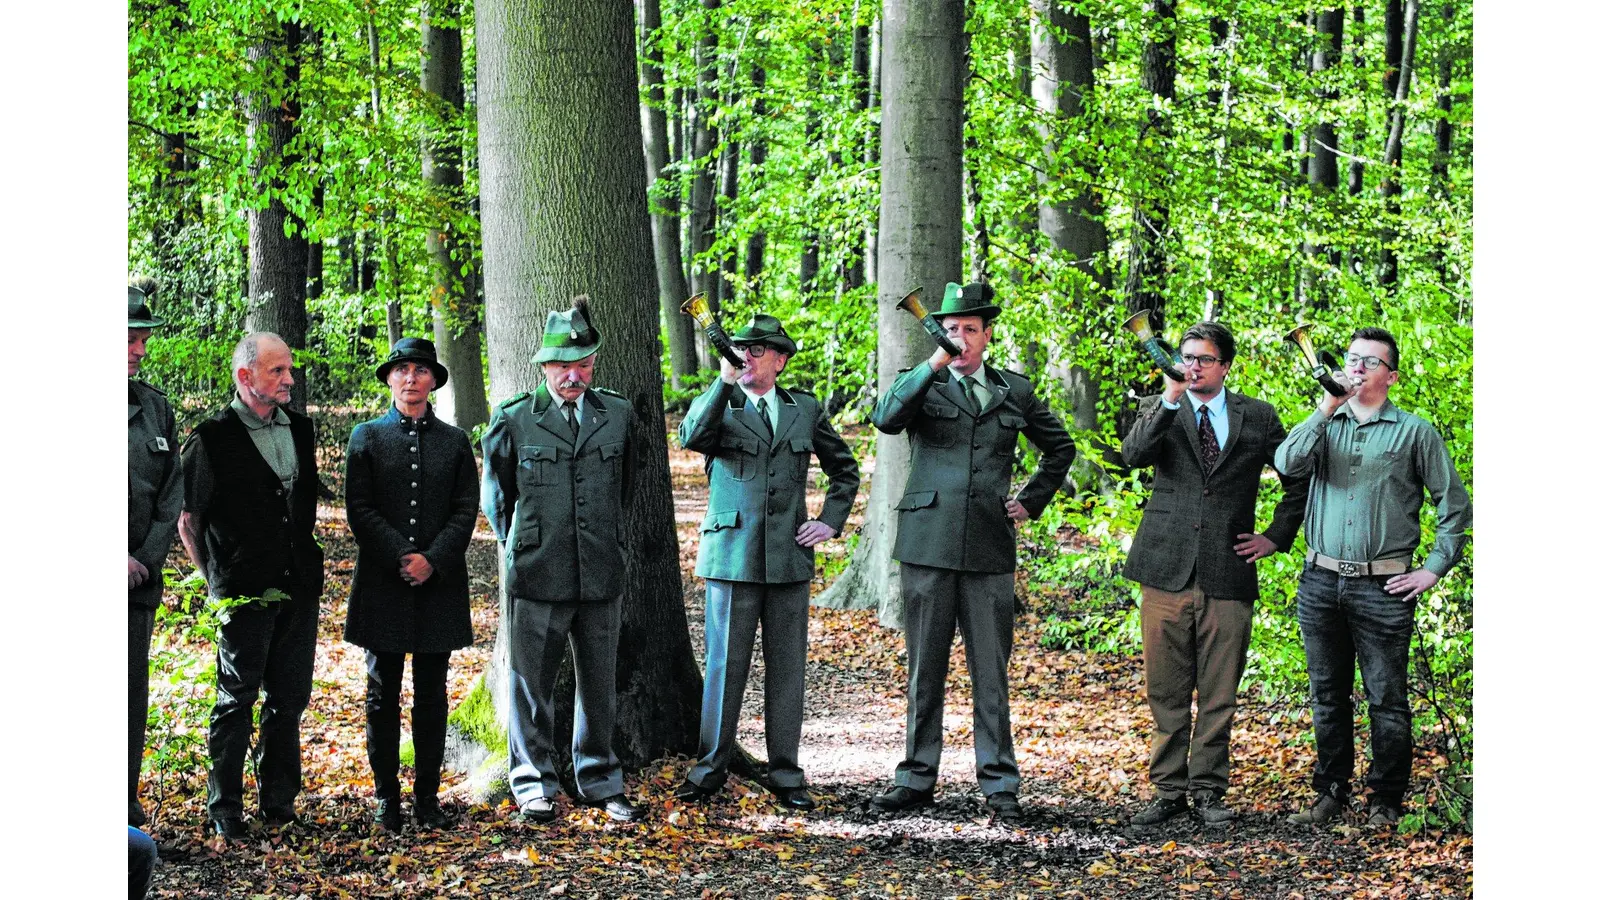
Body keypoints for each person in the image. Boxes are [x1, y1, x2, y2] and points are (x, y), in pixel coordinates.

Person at [867, 282, 1076, 822]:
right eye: (952, 328)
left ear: (986, 334)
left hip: (988, 545)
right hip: (928, 544)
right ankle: (915, 777)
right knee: (924, 669)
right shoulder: (921, 384)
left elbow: (1060, 448)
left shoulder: (1015, 390)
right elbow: (885, 418)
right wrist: (933, 363)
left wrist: (1031, 501)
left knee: (991, 671)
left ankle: (1000, 782)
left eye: (969, 329)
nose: (960, 337)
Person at [1275, 326, 1472, 827]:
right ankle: (1330, 793)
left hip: (1383, 588)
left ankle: (1386, 800)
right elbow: (1285, 463)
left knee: (1386, 699)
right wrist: (1325, 407)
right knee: (1326, 693)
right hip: (1319, 582)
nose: (1356, 367)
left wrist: (1433, 569)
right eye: (1351, 358)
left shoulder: (1414, 432)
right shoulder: (1326, 423)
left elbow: (1454, 507)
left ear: (1392, 376)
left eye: (1369, 362)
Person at [1119, 321, 1307, 827]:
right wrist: (1169, 399)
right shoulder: (1160, 405)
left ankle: (1208, 791)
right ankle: (1167, 790)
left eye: (1203, 359)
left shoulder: (1259, 417)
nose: (1193, 366)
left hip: (1229, 569)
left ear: (1225, 365)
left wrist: (1275, 536)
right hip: (1164, 568)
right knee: (1166, 689)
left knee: (1220, 692)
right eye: (1187, 357)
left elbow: (1298, 476)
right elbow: (1132, 456)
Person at [674, 315, 860, 811]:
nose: (748, 357)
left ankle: (785, 772)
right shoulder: (722, 401)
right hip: (732, 556)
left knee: (786, 670)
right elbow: (690, 435)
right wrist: (722, 381)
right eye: (742, 349)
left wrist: (830, 521)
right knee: (724, 669)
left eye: (759, 350)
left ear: (780, 360)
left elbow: (844, 468)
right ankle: (709, 768)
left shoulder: (804, 408)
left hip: (788, 557)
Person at [481, 296, 645, 824]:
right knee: (531, 686)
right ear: (544, 366)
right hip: (537, 571)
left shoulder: (616, 414)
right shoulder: (514, 420)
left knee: (599, 684)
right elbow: (496, 497)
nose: (573, 376)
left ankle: (599, 779)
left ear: (593, 365)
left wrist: (605, 539)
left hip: (599, 568)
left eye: (583, 365)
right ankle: (533, 783)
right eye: (563, 367)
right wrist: (522, 543)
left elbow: (626, 486)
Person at [178, 332, 325, 839]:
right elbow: (188, 520)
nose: (289, 380)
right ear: (246, 377)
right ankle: (226, 811)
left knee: (290, 698)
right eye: (277, 371)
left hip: (299, 588)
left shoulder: (300, 430)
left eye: (288, 370)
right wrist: (216, 584)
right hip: (243, 593)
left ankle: (280, 804)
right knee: (236, 699)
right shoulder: (210, 439)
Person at [344, 338, 479, 832]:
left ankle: (427, 798)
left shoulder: (455, 442)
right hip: (383, 584)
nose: (410, 378)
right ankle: (386, 799)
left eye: (420, 370)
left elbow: (467, 508)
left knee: (432, 695)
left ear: (433, 381)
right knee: (381, 695)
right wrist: (402, 555)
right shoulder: (366, 437)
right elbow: (358, 508)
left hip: (438, 587)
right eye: (402, 369)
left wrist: (433, 560)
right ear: (389, 378)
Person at [128, 281, 182, 827]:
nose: (140, 349)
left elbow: (171, 495)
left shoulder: (154, 408)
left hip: (137, 588)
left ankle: (122, 810)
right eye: (130, 338)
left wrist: (141, 558)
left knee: (128, 702)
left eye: (142, 339)